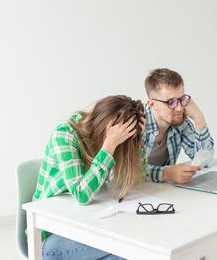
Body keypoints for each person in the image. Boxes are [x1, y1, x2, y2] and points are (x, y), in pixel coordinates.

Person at [32, 95, 146, 260]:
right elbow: (81, 195)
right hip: (49, 237)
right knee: (132, 248)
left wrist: (138, 143)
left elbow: (136, 180)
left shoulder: (109, 141)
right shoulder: (65, 134)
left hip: (85, 221)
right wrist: (109, 145)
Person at [142, 68, 214, 184]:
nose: (180, 108)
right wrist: (166, 174)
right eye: (171, 102)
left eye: (182, 100)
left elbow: (206, 162)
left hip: (160, 192)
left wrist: (199, 119)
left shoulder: (180, 123)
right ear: (152, 104)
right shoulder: (137, 123)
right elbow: (124, 173)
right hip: (131, 196)